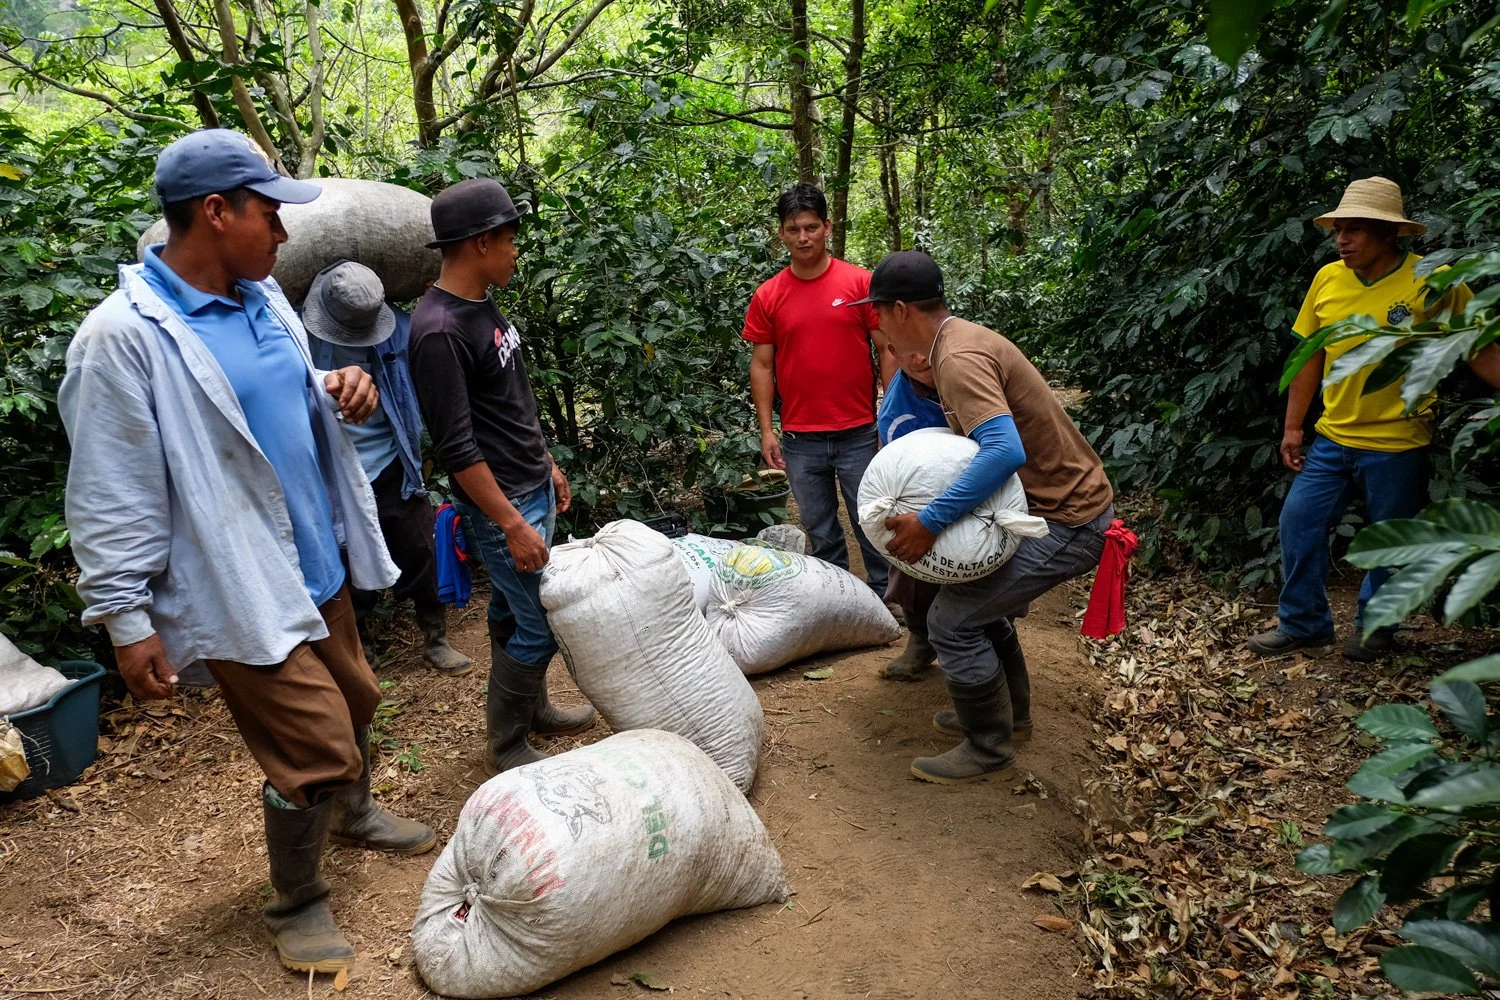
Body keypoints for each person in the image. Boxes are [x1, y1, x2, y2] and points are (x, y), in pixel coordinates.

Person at [60, 129, 433, 976]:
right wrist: (125, 619)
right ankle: (296, 899)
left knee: (359, 701)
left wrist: (336, 391)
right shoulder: (122, 339)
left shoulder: (264, 302)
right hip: (240, 584)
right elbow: (109, 492)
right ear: (215, 211)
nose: (284, 234)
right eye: (270, 214)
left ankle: (352, 813)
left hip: (317, 563)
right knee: (316, 746)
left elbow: (275, 414)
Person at [859, 251, 1115, 784]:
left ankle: (989, 745)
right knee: (981, 608)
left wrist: (929, 521)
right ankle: (1008, 716)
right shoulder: (959, 340)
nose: (877, 323)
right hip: (1060, 507)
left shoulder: (957, 359)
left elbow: (1003, 452)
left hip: (1067, 519)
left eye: (879, 312)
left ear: (901, 309)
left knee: (951, 622)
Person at [1249, 177, 1498, 661]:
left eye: (1355, 230)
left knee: (1389, 539)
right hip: (1332, 436)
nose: (1342, 240)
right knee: (1298, 522)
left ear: (1390, 234)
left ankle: (1376, 626)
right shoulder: (1327, 278)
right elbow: (1309, 357)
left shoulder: (1434, 278)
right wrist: (1293, 426)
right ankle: (1304, 622)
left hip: (1398, 439)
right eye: (1339, 229)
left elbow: (1479, 348)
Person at [406, 177, 595, 776]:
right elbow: (457, 448)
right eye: (511, 240)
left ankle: (531, 711)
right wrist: (511, 523)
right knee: (540, 627)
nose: (517, 251)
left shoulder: (480, 302)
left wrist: (546, 463)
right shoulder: (438, 331)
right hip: (501, 506)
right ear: (482, 243)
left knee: (514, 615)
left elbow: (507, 403)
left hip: (526, 484)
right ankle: (507, 744)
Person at [302, 260, 472, 675]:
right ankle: (364, 651)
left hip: (392, 463)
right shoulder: (292, 335)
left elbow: (429, 388)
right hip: (332, 474)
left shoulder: (399, 327)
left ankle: (435, 639)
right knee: (347, 561)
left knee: (419, 548)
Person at [743, 183, 896, 596]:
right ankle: (840, 599)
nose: (803, 237)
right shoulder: (769, 295)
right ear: (781, 233)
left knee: (873, 518)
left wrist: (890, 416)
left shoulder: (859, 284)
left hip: (860, 429)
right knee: (820, 527)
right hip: (800, 436)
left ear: (827, 227)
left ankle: (888, 596)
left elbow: (887, 349)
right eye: (794, 229)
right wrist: (767, 429)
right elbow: (762, 365)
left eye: (812, 227)